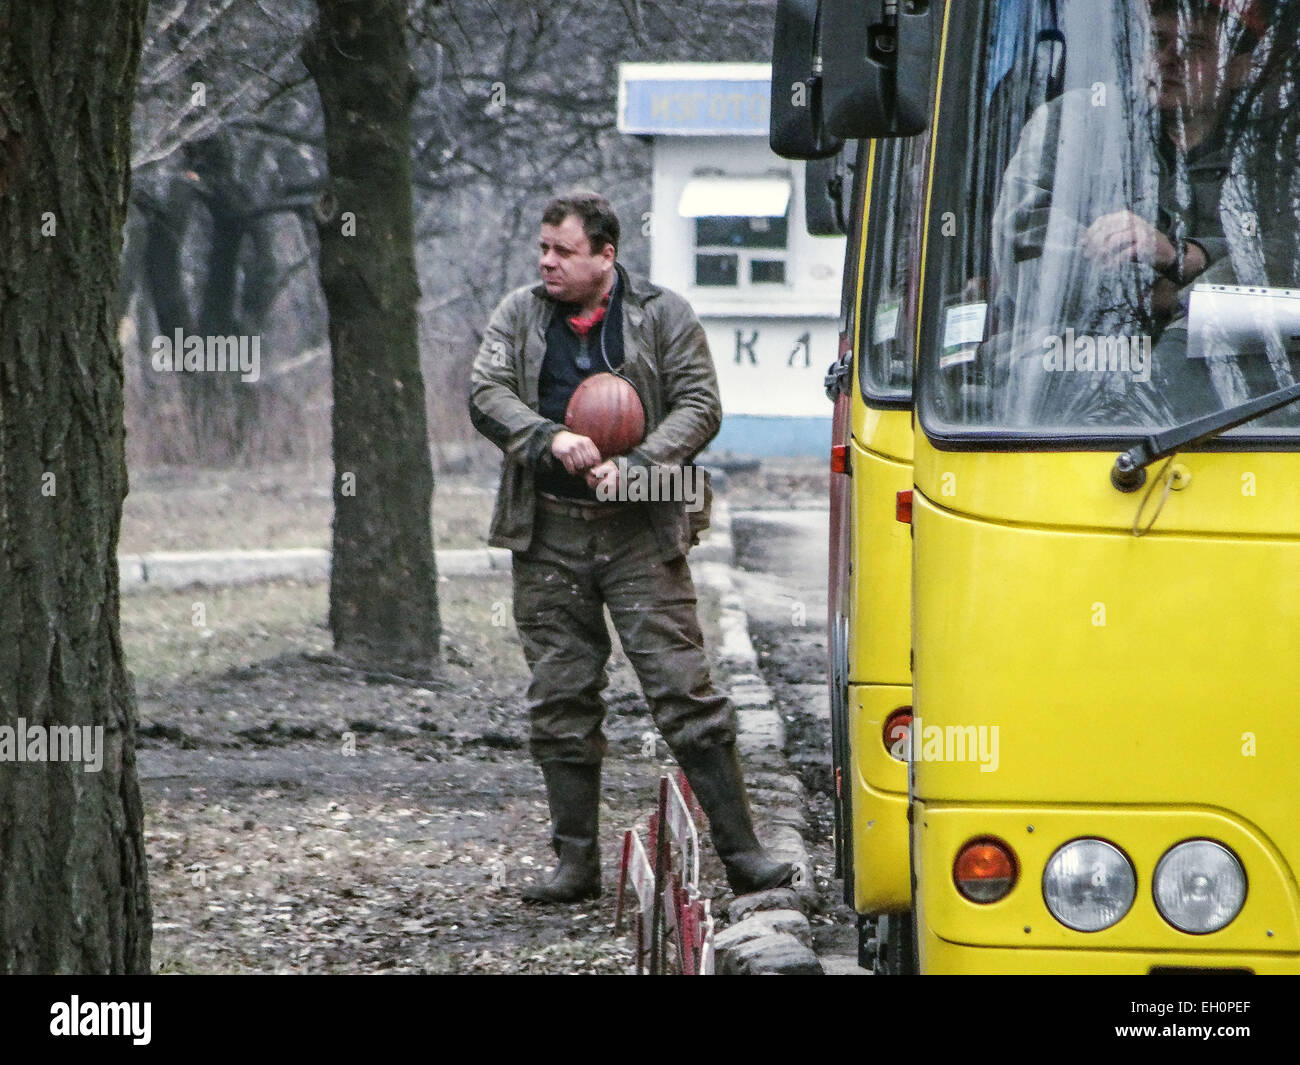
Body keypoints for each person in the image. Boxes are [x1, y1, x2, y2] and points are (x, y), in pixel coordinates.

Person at [468, 190, 793, 903]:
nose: (547, 262)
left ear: (605, 255)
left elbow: (701, 404)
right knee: (560, 696)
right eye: (544, 249)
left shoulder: (664, 314)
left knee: (685, 692)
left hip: (640, 531)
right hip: (548, 528)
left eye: (564, 251)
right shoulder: (518, 315)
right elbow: (486, 392)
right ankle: (575, 864)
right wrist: (549, 436)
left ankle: (745, 854)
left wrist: (641, 464)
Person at [988, 0, 1278, 425]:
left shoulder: (1274, 153)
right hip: (1069, 368)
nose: (1168, 59)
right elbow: (1023, 246)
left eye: (1194, 45)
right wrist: (1154, 286)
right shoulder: (1070, 124)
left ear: (1241, 67)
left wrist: (1183, 257)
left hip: (1235, 399)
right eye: (1158, 40)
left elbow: (1285, 256)